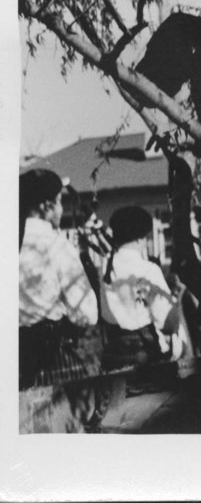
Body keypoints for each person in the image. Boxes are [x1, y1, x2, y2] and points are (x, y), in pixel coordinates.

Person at [18, 168, 103, 433]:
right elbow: (86, 314)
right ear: (46, 206)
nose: (61, 208)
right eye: (59, 201)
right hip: (49, 359)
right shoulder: (55, 245)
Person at [100, 206, 183, 371]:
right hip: (143, 350)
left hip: (113, 350)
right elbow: (167, 323)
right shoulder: (149, 269)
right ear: (140, 239)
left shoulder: (105, 267)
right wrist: (176, 300)